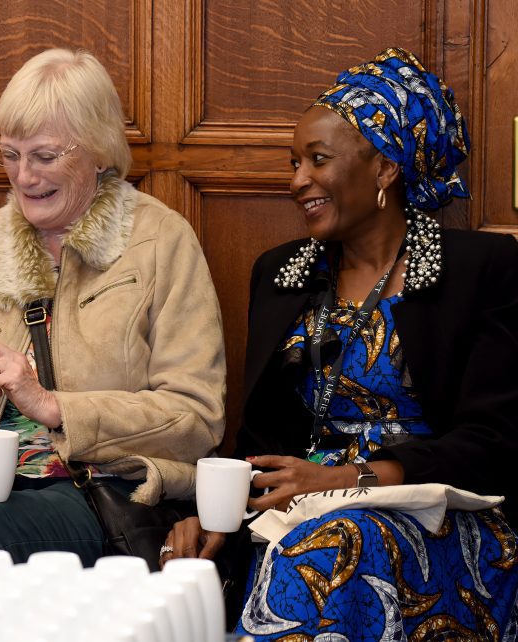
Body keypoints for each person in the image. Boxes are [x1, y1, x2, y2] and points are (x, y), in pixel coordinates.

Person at [162, 47, 518, 638]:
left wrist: (348, 481)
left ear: (385, 168)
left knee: (339, 543)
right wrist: (215, 513)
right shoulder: (283, 275)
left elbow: (494, 443)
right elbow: (263, 438)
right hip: (298, 509)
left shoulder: (485, 270)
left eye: (318, 160)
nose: (298, 180)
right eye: (293, 161)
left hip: (437, 513)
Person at [0, 48, 226, 566]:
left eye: (45, 156)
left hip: (101, 495)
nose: (23, 177)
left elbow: (196, 417)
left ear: (99, 150)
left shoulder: (160, 242)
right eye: (9, 154)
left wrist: (56, 408)